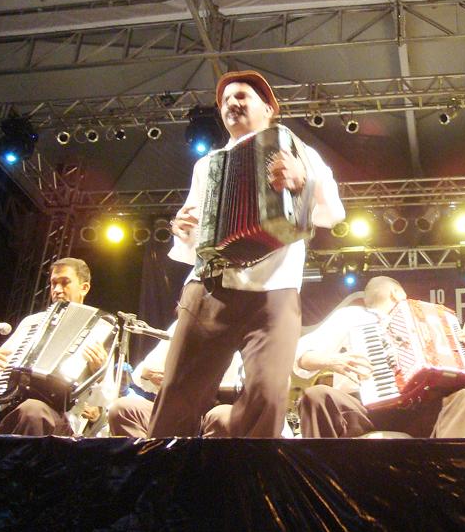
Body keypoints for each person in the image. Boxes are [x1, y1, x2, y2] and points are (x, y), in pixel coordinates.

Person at [148, 70, 345, 438]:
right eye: (225, 101)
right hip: (209, 289)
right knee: (176, 397)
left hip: (274, 292)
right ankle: (163, 472)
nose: (231, 105)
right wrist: (184, 228)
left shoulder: (302, 154)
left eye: (241, 97)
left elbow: (333, 214)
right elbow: (195, 243)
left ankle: (251, 472)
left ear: (269, 108)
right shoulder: (208, 164)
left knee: (267, 398)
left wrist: (304, 182)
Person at [295, 276, 465, 438]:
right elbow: (301, 357)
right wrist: (332, 361)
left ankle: (452, 471)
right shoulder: (351, 317)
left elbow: (461, 378)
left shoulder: (428, 321)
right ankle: (322, 472)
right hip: (363, 410)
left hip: (423, 408)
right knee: (316, 395)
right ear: (396, 293)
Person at [0, 257, 110, 436]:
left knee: (32, 410)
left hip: (59, 415)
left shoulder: (101, 330)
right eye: (53, 283)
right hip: (6, 406)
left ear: (84, 288)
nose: (57, 290)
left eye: (65, 283)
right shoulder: (32, 322)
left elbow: (107, 399)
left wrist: (98, 374)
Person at [108, 321, 242, 438]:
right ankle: (151, 459)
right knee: (122, 409)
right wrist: (151, 375)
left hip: (216, 412)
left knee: (223, 416)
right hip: (176, 411)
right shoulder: (187, 321)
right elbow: (143, 374)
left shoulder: (245, 327)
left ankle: (204, 460)